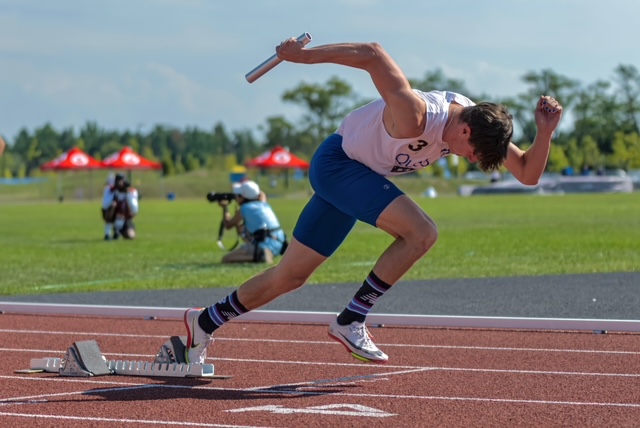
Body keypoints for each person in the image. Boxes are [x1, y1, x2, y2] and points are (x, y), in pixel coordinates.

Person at [181, 38, 563, 365]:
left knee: (290, 276)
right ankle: (352, 318)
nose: (469, 159)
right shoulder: (416, 116)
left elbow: (528, 173)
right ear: (464, 129)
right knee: (422, 233)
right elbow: (373, 54)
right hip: (337, 165)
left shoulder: (477, 125)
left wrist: (545, 133)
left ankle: (203, 324)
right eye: (471, 153)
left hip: (356, 178)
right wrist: (303, 56)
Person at [218, 180, 287, 264]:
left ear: (242, 196)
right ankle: (261, 255)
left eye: (237, 195)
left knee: (226, 259)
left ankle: (260, 256)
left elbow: (228, 225)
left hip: (264, 246)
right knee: (243, 229)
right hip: (279, 243)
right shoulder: (264, 203)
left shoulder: (244, 208)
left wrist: (225, 207)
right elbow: (261, 194)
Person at [101, 173, 139, 240]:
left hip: (126, 218)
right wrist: (114, 195)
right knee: (112, 206)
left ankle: (119, 230)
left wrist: (128, 194)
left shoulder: (131, 191)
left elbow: (134, 209)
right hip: (113, 216)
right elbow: (105, 205)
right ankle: (108, 233)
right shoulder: (110, 190)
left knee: (130, 235)